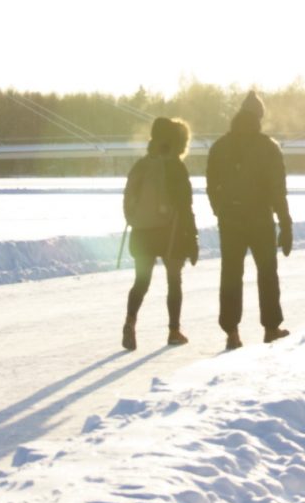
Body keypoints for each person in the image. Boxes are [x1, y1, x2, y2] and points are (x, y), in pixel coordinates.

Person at [206, 90, 293, 350]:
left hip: (230, 220)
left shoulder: (220, 146)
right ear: (259, 116)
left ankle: (232, 332)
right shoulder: (268, 147)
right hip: (260, 220)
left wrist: (220, 210)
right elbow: (278, 190)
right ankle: (270, 327)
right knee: (267, 273)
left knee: (231, 274)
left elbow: (211, 184)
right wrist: (285, 223)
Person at [122, 116, 199, 351]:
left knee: (141, 281)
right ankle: (174, 331)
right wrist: (192, 237)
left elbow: (128, 200)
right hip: (170, 232)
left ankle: (130, 322)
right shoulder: (174, 166)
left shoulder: (142, 165)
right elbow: (185, 205)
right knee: (174, 281)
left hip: (142, 232)